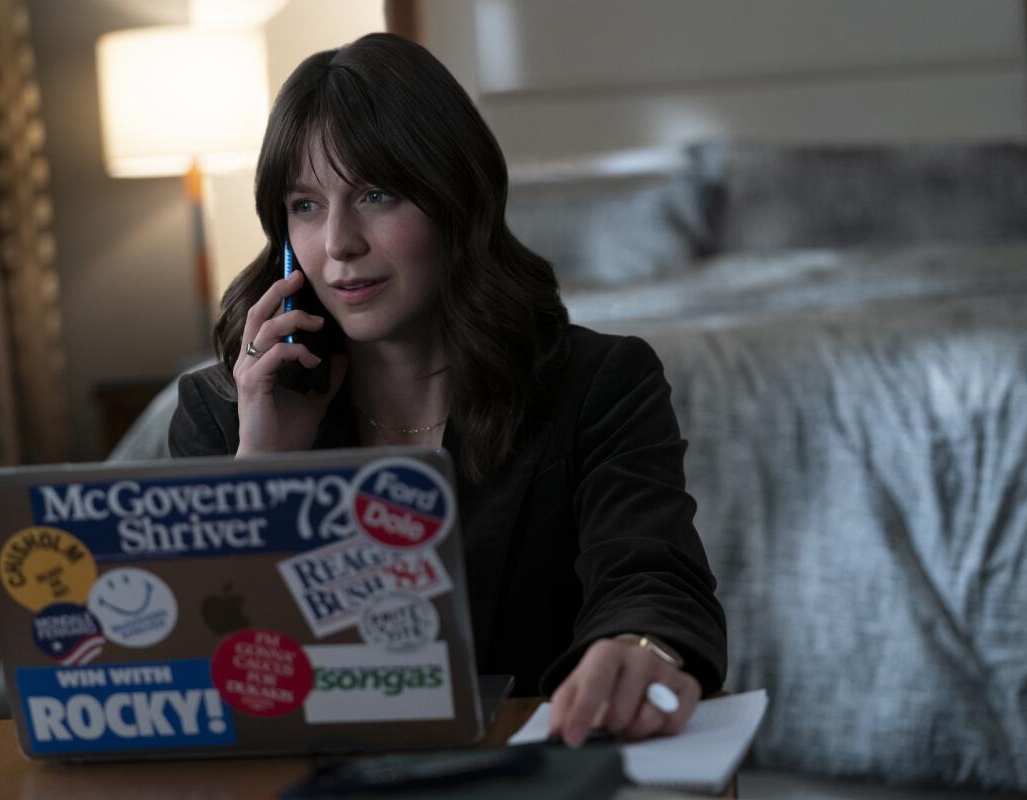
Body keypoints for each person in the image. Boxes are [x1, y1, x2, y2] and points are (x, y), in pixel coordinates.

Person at [169, 32, 726, 747]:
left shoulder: (597, 385)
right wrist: (264, 472)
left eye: (376, 193)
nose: (338, 242)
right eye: (305, 205)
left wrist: (639, 648)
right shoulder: (219, 413)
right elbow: (194, 667)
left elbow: (653, 574)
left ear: (457, 200)